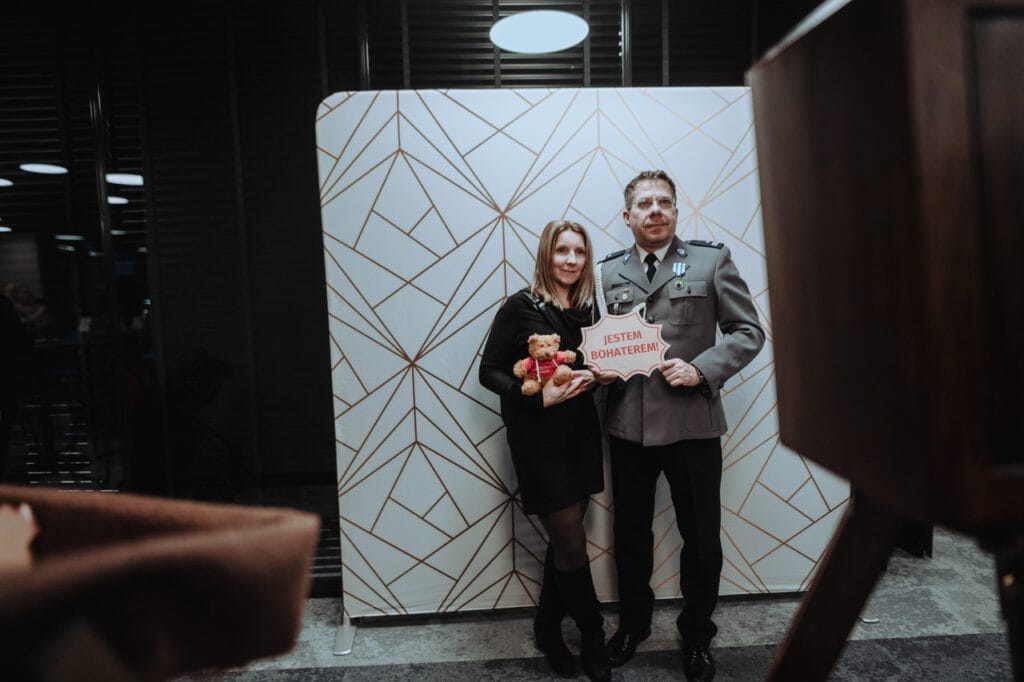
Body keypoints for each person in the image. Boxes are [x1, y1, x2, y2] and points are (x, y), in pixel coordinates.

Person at [595, 170, 765, 681]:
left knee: (701, 539)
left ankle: (696, 635)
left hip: (693, 424)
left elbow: (747, 330)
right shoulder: (606, 272)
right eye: (644, 204)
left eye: (664, 202)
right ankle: (633, 625)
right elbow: (596, 339)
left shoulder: (711, 261)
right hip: (629, 424)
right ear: (627, 216)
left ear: (675, 210)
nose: (655, 210)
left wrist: (702, 369)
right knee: (630, 535)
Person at [479, 220, 611, 682]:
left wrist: (600, 375)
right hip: (538, 441)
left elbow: (593, 365)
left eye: (579, 252)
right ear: (546, 256)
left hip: (581, 436)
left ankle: (547, 628)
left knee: (563, 543)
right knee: (572, 543)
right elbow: (489, 371)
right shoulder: (520, 306)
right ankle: (593, 635)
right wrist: (534, 397)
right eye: (562, 251)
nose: (571, 260)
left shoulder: (591, 312)